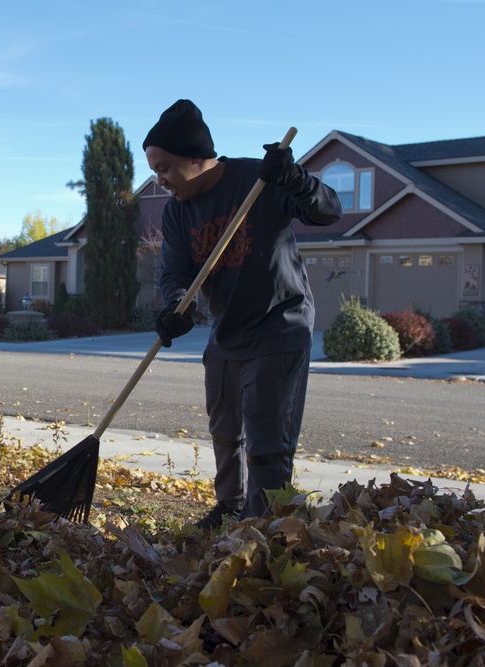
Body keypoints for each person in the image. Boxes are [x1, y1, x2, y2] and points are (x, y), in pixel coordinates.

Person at [143, 99, 342, 530]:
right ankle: (230, 506)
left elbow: (328, 210)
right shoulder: (177, 210)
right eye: (155, 170)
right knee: (224, 430)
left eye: (166, 168)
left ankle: (262, 525)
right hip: (226, 330)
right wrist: (177, 306)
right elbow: (176, 271)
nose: (160, 180)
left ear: (196, 157)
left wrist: (294, 177)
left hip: (278, 326)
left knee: (267, 443)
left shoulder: (260, 178)